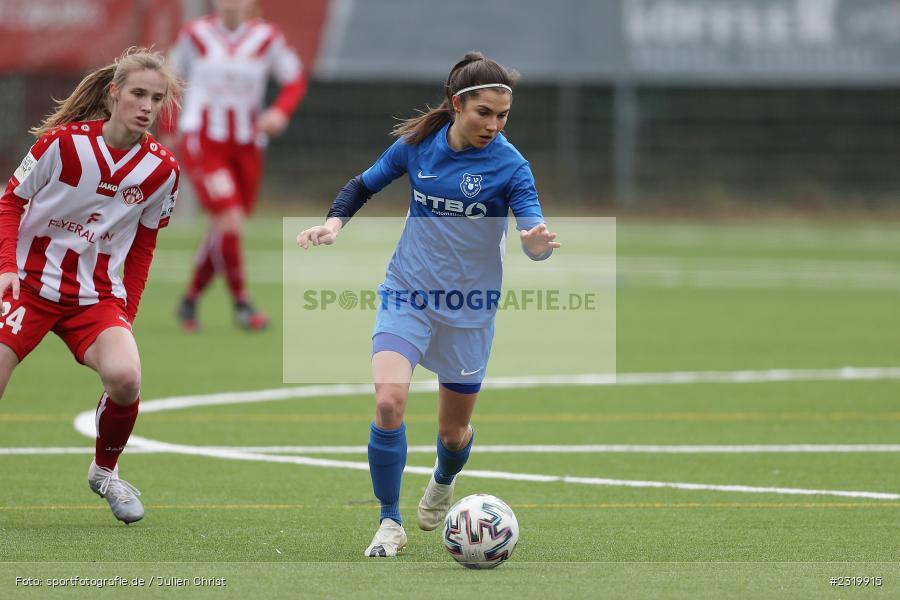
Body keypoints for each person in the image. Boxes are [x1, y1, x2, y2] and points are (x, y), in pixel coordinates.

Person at [297, 51, 560, 557]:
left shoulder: (511, 165)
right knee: (389, 402)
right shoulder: (418, 146)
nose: (494, 124)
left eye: (503, 116)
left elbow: (531, 230)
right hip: (408, 293)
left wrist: (537, 246)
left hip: (469, 309)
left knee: (454, 432)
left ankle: (443, 479)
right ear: (457, 105)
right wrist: (332, 224)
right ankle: (389, 521)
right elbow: (362, 185)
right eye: (484, 112)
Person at [0, 47, 182, 524]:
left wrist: (128, 313)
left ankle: (105, 472)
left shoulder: (162, 170)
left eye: (156, 98)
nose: (146, 105)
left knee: (126, 377)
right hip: (29, 287)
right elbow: (9, 204)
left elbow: (143, 247)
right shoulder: (61, 145)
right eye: (138, 93)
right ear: (114, 93)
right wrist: (6, 268)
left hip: (95, 298)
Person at [164, 0, 307, 332]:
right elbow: (169, 81)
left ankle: (189, 300)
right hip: (203, 139)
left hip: (247, 142)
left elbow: (295, 79)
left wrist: (279, 112)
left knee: (223, 226)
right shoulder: (194, 35)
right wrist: (170, 130)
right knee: (228, 219)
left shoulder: (267, 37)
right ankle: (243, 305)